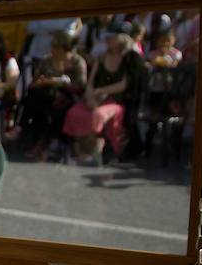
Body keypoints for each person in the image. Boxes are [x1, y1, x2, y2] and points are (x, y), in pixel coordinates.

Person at [61, 25, 143, 164]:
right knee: (74, 112)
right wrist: (90, 96)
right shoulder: (102, 57)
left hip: (116, 100)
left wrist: (100, 91)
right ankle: (82, 150)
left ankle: (96, 150)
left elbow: (123, 85)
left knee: (97, 115)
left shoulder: (130, 58)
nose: (107, 40)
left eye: (111, 37)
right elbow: (91, 82)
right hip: (96, 97)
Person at [19, 31, 86, 160]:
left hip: (69, 95)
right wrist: (44, 82)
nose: (53, 49)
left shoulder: (77, 62)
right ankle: (39, 140)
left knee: (54, 103)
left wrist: (60, 83)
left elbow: (80, 87)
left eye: (56, 46)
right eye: (52, 46)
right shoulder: (47, 60)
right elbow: (33, 83)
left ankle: (40, 141)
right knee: (39, 98)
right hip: (45, 94)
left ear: (65, 48)